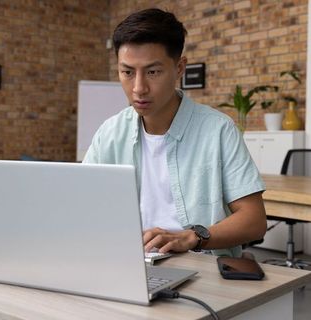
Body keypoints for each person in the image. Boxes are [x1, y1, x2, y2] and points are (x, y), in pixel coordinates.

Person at [83, 8, 266, 257]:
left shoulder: (218, 130)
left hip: (201, 268)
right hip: (128, 263)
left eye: (152, 72)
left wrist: (194, 237)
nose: (139, 88)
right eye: (127, 72)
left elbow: (254, 221)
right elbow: (83, 206)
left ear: (180, 68)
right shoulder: (110, 133)